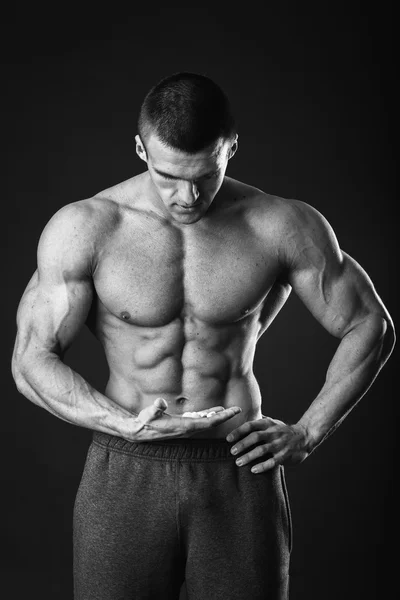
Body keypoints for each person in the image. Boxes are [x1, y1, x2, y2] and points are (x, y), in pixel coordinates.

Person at [12, 71, 395, 600]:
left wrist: (307, 432)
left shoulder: (280, 224)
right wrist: (123, 423)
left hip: (239, 467)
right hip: (126, 466)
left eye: (206, 175)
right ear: (141, 148)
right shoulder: (87, 227)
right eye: (169, 175)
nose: (188, 196)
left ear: (231, 148)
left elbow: (369, 325)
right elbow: (31, 360)